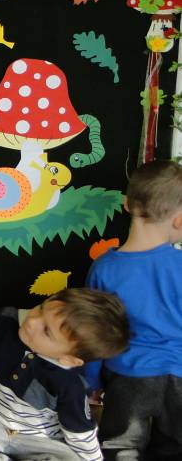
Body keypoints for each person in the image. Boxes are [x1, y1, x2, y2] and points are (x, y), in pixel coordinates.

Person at [0, 288, 130, 461]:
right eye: (41, 308)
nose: (32, 321)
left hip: (41, 443)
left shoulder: (70, 383)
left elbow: (81, 435)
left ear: (68, 359)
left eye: (47, 331)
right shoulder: (2, 322)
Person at [85, 159, 182, 460]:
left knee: (121, 448)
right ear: (179, 220)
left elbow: (94, 333)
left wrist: (90, 381)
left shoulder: (103, 268)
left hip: (128, 377)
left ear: (126, 204)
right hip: (180, 376)